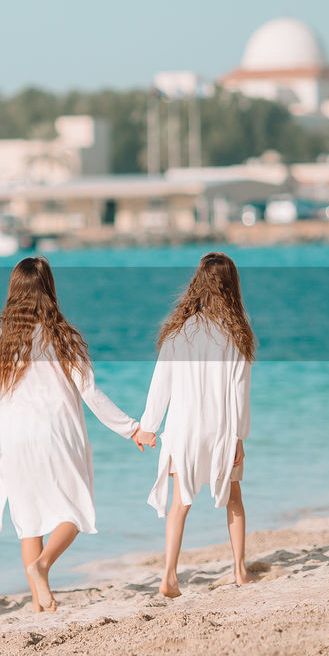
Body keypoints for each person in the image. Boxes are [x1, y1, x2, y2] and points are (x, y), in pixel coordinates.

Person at [0, 256, 147, 611]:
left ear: (14, 292)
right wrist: (132, 429)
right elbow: (91, 393)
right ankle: (43, 568)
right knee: (76, 511)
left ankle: (39, 602)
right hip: (58, 434)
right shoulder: (65, 338)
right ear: (49, 290)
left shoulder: (0, 341)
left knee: (29, 522)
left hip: (16, 440)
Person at [137, 252, 255, 597]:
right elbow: (240, 391)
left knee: (180, 503)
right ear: (232, 286)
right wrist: (239, 437)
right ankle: (239, 569)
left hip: (184, 429)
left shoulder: (179, 331)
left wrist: (149, 426)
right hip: (220, 428)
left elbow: (161, 383)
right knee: (234, 496)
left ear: (197, 284)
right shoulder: (237, 333)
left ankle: (169, 577)